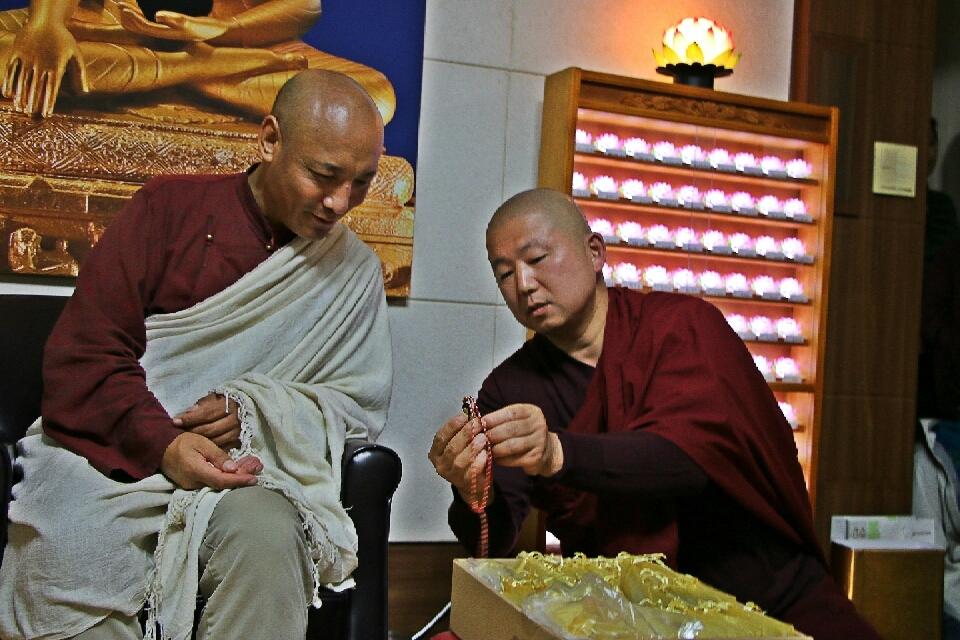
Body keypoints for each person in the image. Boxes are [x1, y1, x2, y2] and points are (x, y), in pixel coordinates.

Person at [0, 69, 392, 640]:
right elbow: (86, 354)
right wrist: (164, 443)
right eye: (323, 175)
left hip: (242, 472)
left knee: (269, 533)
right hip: (113, 455)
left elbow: (356, 407)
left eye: (361, 182)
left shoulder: (353, 271)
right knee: (66, 551)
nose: (340, 203)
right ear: (270, 140)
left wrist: (257, 411)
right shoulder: (167, 208)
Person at [428, 188, 880, 639]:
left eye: (537, 258)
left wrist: (558, 453)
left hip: (765, 600)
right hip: (626, 620)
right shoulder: (511, 389)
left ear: (595, 252)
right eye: (505, 274)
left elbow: (688, 460)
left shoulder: (683, 327)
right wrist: (470, 491)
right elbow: (494, 537)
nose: (524, 284)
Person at [0, 0, 396, 124]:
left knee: (367, 98)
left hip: (238, 38)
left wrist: (223, 29)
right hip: (105, 25)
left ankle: (191, 69)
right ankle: (202, 68)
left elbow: (305, 5)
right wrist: (45, 23)